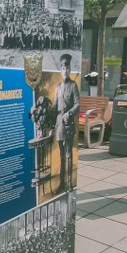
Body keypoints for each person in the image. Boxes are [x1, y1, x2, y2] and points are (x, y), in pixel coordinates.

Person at [54, 54, 78, 193]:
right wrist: (51, 126)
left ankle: (69, 184)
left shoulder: (73, 85)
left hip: (68, 124)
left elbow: (78, 104)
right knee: (61, 156)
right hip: (59, 125)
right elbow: (55, 106)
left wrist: (69, 113)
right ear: (61, 70)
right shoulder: (58, 87)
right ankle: (61, 184)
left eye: (68, 68)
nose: (66, 70)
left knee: (69, 155)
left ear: (70, 70)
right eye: (63, 68)